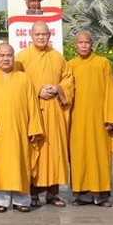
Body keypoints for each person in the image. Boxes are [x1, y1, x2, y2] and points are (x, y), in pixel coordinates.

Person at [15, 22, 73, 207]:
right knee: (34, 150)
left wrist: (58, 88)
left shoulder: (57, 57)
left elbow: (68, 80)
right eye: (37, 34)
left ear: (50, 35)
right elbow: (16, 83)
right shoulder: (22, 57)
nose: (41, 37)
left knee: (54, 150)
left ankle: (53, 193)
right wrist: (37, 91)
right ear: (31, 35)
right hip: (33, 110)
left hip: (54, 112)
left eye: (44, 34)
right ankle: (32, 193)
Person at [0, 43, 44, 213]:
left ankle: (21, 200)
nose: (6, 58)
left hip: (19, 131)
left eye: (9, 55)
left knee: (20, 164)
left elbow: (32, 105)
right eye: (2, 55)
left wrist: (34, 128)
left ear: (14, 57)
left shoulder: (23, 78)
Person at [67, 30, 113, 207]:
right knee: (80, 156)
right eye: (80, 43)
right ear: (75, 45)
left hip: (98, 120)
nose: (83, 46)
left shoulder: (102, 63)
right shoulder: (70, 65)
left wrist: (110, 117)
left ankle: (102, 195)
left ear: (92, 44)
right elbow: (65, 92)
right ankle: (81, 195)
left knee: (100, 156)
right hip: (77, 119)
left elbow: (110, 90)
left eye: (86, 43)